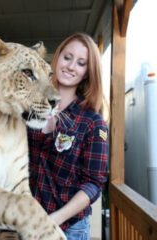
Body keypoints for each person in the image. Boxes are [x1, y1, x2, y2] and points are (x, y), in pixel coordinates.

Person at [28, 32, 109, 240]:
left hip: (67, 229)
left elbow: (93, 184)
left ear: (87, 73)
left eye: (81, 63)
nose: (71, 66)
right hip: (26, 221)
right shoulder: (30, 107)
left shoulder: (92, 122)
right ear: (57, 58)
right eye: (67, 57)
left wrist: (54, 219)